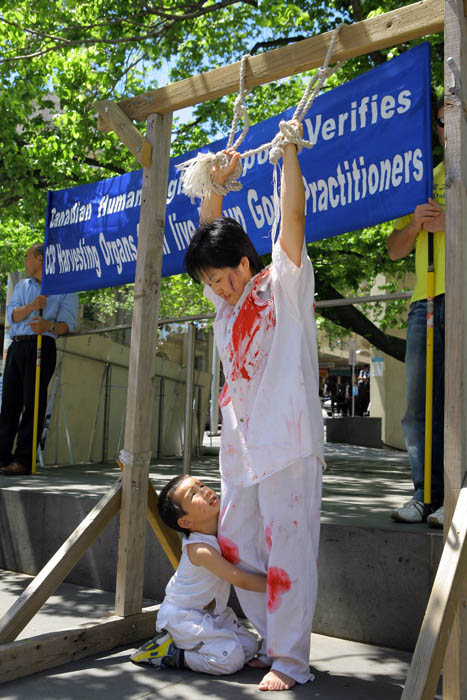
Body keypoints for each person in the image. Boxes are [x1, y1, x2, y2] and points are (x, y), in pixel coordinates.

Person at [184, 120, 324, 691]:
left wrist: (289, 154)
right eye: (210, 282)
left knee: (290, 546)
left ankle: (290, 660)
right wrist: (217, 184)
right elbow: (209, 234)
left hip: (289, 441)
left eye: (222, 277)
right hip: (241, 448)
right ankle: (271, 640)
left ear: (245, 263)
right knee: (238, 542)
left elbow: (294, 221)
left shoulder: (280, 285)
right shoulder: (225, 308)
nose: (217, 289)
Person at [130, 474, 264, 675]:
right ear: (185, 522)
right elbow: (239, 579)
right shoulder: (200, 549)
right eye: (193, 494)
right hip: (184, 617)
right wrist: (277, 584)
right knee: (231, 661)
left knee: (250, 646)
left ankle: (189, 645)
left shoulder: (221, 529)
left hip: (211, 614)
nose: (205, 491)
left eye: (201, 485)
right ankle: (171, 653)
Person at [387, 95, 445, 528]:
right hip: (423, 303)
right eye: (440, 121)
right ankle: (426, 495)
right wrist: (415, 225)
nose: (446, 128)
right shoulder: (425, 178)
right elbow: (394, 249)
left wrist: (453, 221)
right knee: (418, 410)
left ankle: (459, 497)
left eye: (453, 119)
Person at [0, 244, 78, 475]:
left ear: (40, 259)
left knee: (33, 403)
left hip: (41, 346)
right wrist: (33, 306)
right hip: (17, 346)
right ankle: (2, 455)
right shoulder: (22, 286)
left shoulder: (65, 288)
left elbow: (68, 325)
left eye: (28, 257)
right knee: (9, 404)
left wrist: (48, 326)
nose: (25, 262)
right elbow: (13, 316)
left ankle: (24, 459)